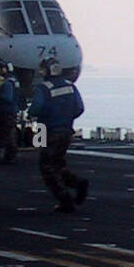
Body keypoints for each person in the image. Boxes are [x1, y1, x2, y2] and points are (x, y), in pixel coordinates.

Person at [27, 57, 87, 212]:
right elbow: (79, 108)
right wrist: (65, 118)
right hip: (66, 130)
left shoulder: (43, 88)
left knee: (47, 167)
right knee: (59, 163)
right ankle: (77, 183)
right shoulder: (70, 86)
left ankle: (65, 200)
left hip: (48, 130)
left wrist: (34, 115)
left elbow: (35, 109)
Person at [0, 62, 19, 164]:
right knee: (9, 133)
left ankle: (5, 156)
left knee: (3, 134)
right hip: (11, 110)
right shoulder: (14, 81)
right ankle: (9, 155)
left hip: (4, 111)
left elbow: (6, 97)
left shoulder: (7, 82)